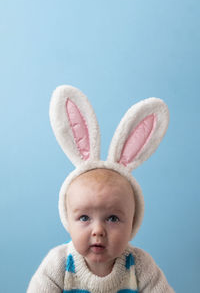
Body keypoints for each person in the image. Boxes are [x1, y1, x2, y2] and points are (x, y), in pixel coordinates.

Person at [27, 85, 175, 292]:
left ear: (132, 223)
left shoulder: (141, 266)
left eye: (113, 218)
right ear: (67, 220)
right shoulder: (58, 264)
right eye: (84, 218)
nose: (98, 231)